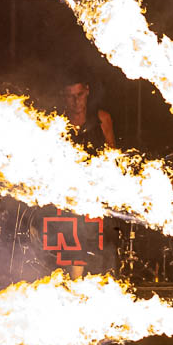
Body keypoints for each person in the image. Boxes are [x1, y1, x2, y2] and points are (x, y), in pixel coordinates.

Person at [58, 71, 117, 278]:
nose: (76, 101)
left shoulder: (102, 119)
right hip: (65, 200)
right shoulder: (55, 123)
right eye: (70, 96)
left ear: (88, 91)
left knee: (100, 248)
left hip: (96, 197)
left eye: (80, 95)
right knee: (71, 244)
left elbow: (112, 157)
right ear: (63, 97)